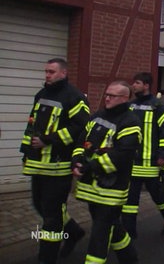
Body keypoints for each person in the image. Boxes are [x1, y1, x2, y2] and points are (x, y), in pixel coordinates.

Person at [20, 58, 89, 263]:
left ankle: (47, 257)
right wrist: (26, 153)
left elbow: (81, 128)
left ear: (63, 73)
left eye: (51, 72)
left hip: (58, 166)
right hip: (38, 163)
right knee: (39, 205)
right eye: (46, 71)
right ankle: (73, 232)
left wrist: (48, 140)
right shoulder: (41, 95)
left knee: (51, 215)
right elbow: (32, 125)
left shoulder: (74, 97)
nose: (47, 75)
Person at [72, 80, 141, 263]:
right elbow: (81, 142)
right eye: (107, 94)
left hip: (112, 190)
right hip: (91, 187)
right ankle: (130, 258)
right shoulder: (97, 117)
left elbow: (121, 156)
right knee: (113, 227)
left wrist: (89, 166)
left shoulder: (131, 122)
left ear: (125, 98)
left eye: (112, 95)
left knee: (99, 235)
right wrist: (77, 160)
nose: (107, 98)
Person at [122, 72, 164, 239]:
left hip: (152, 164)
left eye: (137, 83)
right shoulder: (129, 106)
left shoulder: (158, 107)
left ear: (146, 85)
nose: (134, 86)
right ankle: (129, 232)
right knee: (129, 202)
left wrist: (163, 155)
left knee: (159, 197)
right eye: (134, 82)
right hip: (132, 163)